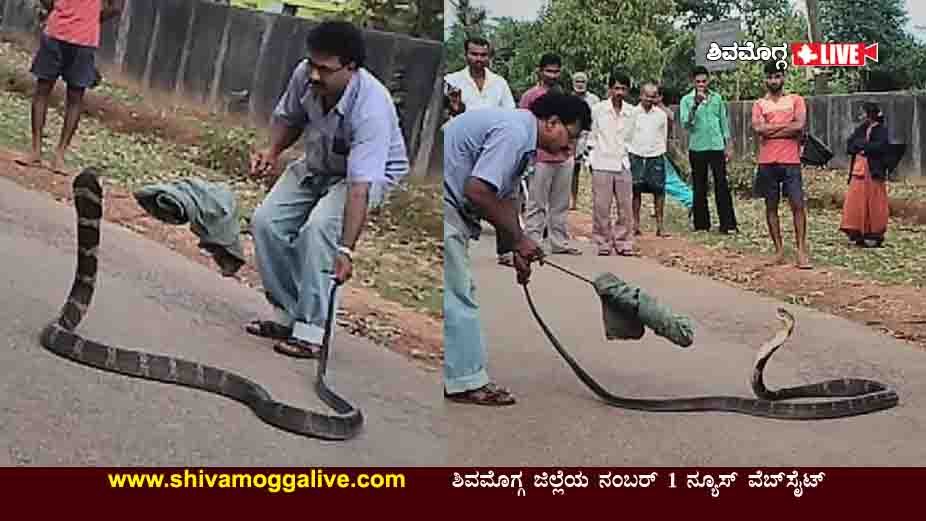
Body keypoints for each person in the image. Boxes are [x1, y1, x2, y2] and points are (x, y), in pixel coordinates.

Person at [245, 21, 409, 357]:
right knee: (265, 222)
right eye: (312, 65)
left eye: (325, 69)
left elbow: (360, 187)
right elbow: (290, 119)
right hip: (317, 163)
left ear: (351, 68)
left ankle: (311, 332)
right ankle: (289, 314)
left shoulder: (371, 107)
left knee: (319, 230)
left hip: (364, 178)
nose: (315, 75)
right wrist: (272, 151)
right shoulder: (305, 75)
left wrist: (346, 250)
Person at [443, 91, 591, 406]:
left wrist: (515, 248)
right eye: (570, 136)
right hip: (445, 206)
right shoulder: (513, 132)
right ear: (552, 123)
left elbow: (505, 199)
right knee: (458, 294)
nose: (569, 147)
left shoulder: (522, 139)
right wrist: (522, 239)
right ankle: (466, 381)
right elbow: (477, 191)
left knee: (455, 293)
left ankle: (458, 375)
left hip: (450, 206)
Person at [17, 0, 124, 173]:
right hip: (57, 33)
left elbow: (116, 7)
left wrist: (88, 19)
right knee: (44, 91)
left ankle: (58, 155)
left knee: (73, 98)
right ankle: (36, 151)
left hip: (83, 39)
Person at [443, 36, 518, 266]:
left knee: (503, 194)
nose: (478, 59)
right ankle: (457, 249)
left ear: (489, 57)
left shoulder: (499, 84)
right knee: (457, 199)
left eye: (483, 55)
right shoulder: (451, 81)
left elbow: (510, 115)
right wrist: (455, 109)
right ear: (466, 55)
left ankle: (506, 248)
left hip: (493, 149)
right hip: (462, 150)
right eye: (474, 54)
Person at [518, 54, 582, 256]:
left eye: (556, 71)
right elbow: (523, 126)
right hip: (541, 157)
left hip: (564, 157)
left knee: (560, 203)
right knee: (536, 202)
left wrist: (571, 149)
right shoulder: (531, 96)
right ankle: (533, 242)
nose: (553, 75)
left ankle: (559, 242)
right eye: (549, 71)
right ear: (540, 71)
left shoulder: (564, 96)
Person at [751, 61, 810, 268]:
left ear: (783, 77)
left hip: (791, 160)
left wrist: (772, 128)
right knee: (771, 206)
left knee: (797, 205)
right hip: (767, 161)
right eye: (770, 77)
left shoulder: (796, 100)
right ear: (765, 79)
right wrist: (788, 127)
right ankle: (778, 251)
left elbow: (800, 125)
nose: (773, 81)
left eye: (777, 76)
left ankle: (801, 252)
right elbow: (758, 129)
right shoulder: (759, 104)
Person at [679, 66, 737, 233]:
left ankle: (728, 224)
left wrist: (728, 145)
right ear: (693, 82)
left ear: (708, 81)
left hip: (716, 146)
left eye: (704, 81)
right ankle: (702, 224)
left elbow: (724, 123)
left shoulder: (717, 98)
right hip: (698, 147)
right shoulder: (686, 100)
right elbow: (686, 124)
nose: (701, 84)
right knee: (699, 185)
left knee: (722, 184)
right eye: (698, 82)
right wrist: (695, 106)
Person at [588, 70, 638, 256]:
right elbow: (591, 135)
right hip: (601, 161)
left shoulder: (631, 112)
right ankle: (603, 240)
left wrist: (628, 155)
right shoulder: (599, 109)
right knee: (601, 205)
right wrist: (592, 158)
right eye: (616, 88)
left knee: (625, 205)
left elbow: (632, 137)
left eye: (623, 89)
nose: (619, 92)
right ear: (610, 89)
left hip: (622, 162)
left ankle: (623, 241)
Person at [840, 102, 891, 248]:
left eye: (863, 113)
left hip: (873, 172)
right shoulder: (861, 129)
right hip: (858, 171)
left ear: (870, 114)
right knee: (855, 201)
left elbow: (881, 147)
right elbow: (850, 145)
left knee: (874, 202)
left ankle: (873, 234)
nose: (860, 116)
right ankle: (856, 232)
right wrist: (863, 146)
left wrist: (862, 146)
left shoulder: (881, 130)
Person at [628, 81, 670, 237]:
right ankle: (635, 225)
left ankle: (660, 226)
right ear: (640, 95)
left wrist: (660, 152)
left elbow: (663, 136)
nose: (649, 99)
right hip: (636, 154)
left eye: (653, 96)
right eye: (646, 96)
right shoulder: (632, 113)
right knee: (636, 190)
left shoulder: (661, 115)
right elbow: (628, 135)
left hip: (656, 155)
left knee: (659, 191)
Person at [653, 86, 694, 219]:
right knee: (659, 181)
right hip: (660, 149)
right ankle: (658, 209)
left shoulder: (662, 113)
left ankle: (691, 200)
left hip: (659, 150)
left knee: (669, 181)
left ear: (661, 97)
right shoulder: (666, 112)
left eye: (654, 95)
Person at [570, 71, 601, 210]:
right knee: (573, 170)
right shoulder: (568, 98)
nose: (580, 85)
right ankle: (573, 200)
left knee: (594, 169)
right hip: (575, 138)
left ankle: (598, 200)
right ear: (573, 83)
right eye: (577, 82)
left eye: (582, 82)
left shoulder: (594, 99)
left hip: (591, 137)